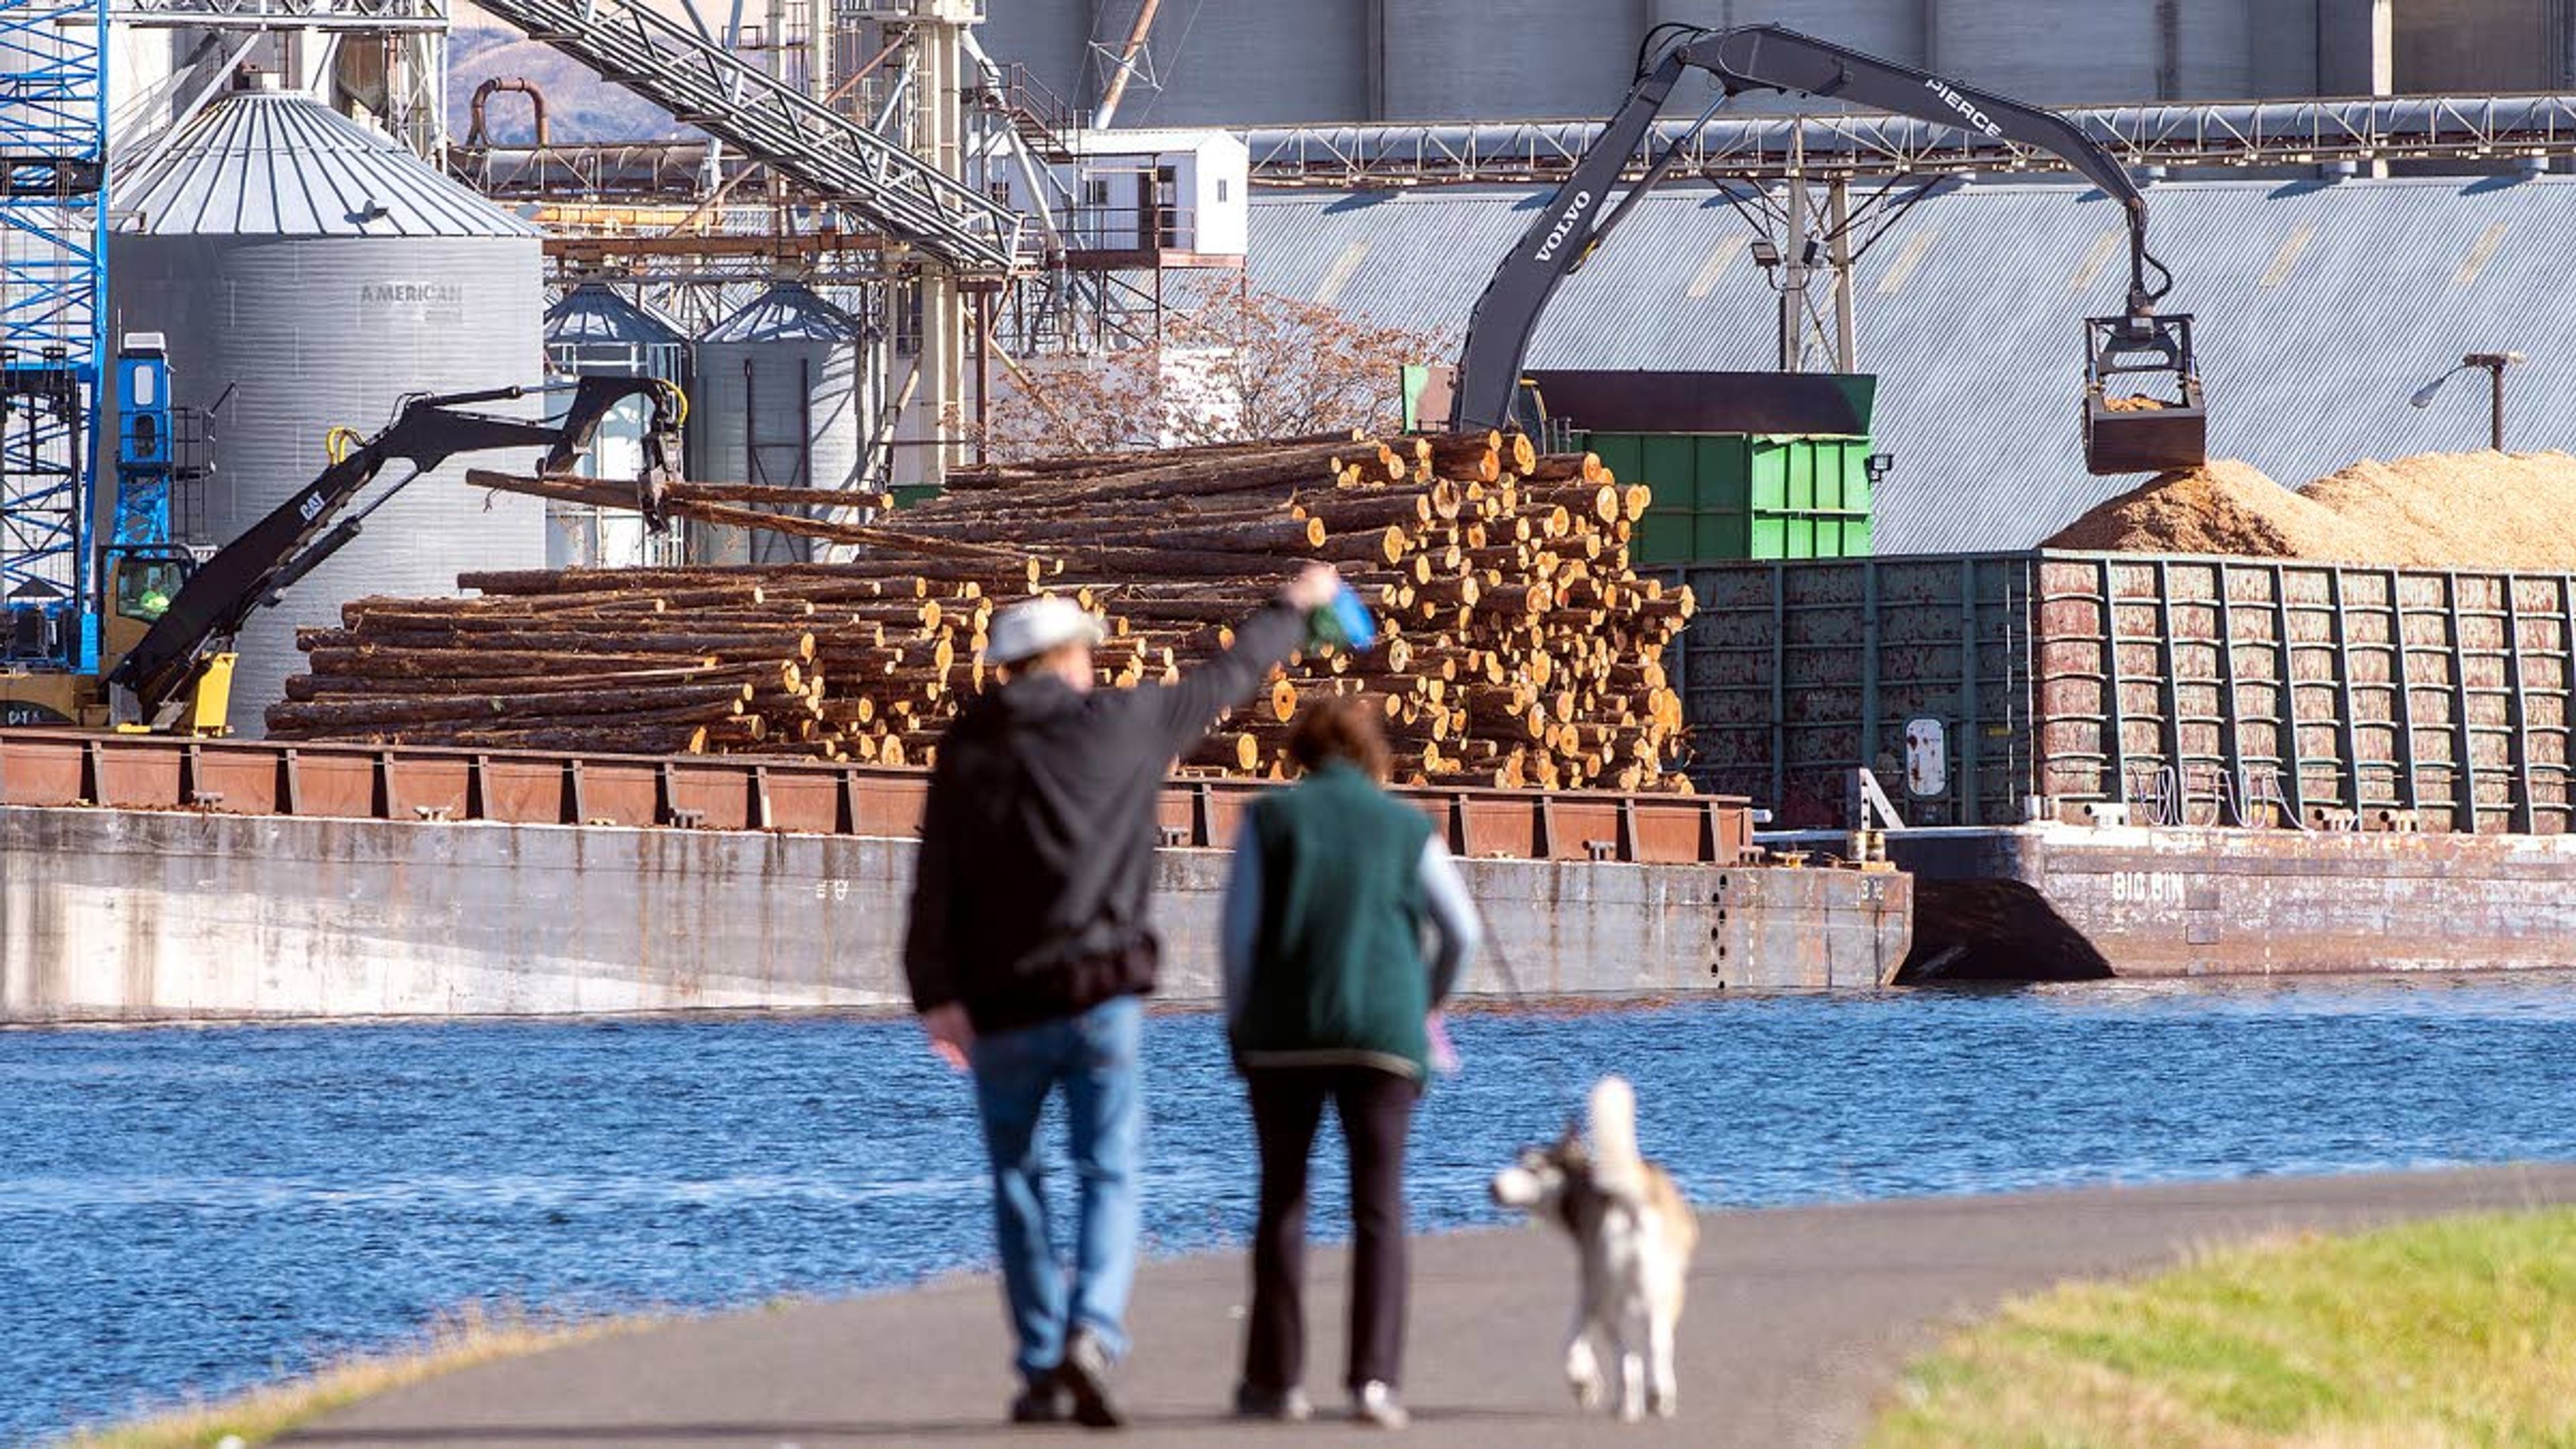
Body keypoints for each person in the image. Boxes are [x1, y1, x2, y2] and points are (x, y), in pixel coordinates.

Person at [904, 561, 1342, 1430]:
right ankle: (1091, 1335)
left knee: (1018, 1183)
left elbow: (937, 879)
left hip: (1000, 1006)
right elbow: (1229, 678)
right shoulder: (1127, 723)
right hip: (1102, 997)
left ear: (1005, 668)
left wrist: (934, 993)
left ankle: (1038, 1365)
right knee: (1110, 1171)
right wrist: (1295, 608)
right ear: (1073, 659)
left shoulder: (970, 744)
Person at [1220, 695, 1482, 1430]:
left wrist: (1240, 1023)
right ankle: (1374, 1384)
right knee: (1379, 1206)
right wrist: (1427, 1008)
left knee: (1282, 1202)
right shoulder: (1407, 826)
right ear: (1373, 752)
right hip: (1384, 1039)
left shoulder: (1268, 821)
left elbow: (1237, 940)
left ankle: (1274, 1384)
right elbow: (1460, 931)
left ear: (1300, 752)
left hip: (1282, 1033)